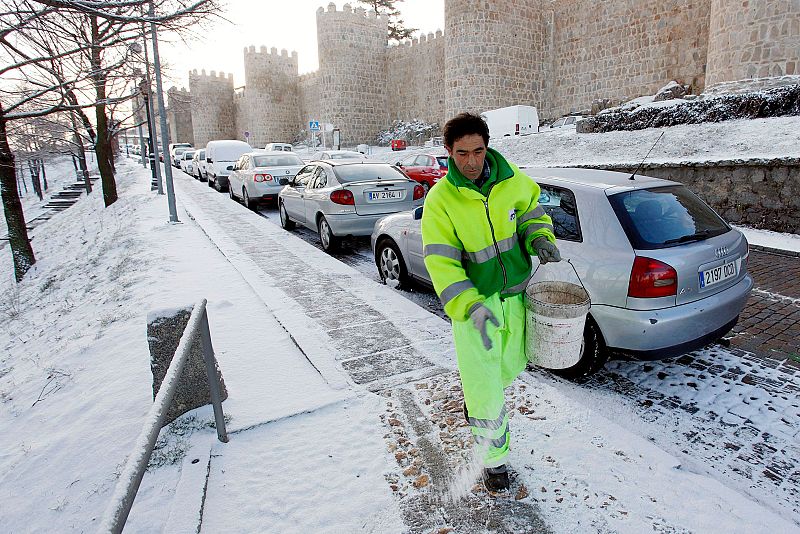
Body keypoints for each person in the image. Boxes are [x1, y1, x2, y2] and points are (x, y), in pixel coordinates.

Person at [421, 112, 560, 491]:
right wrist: (469, 305)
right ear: (448, 151)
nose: (471, 161)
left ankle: (478, 402)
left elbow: (532, 214)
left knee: (509, 366)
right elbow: (442, 262)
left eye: (478, 151)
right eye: (462, 153)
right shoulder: (441, 200)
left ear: (488, 146)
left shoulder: (513, 181)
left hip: (514, 297)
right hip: (475, 308)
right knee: (484, 386)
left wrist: (539, 238)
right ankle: (494, 460)